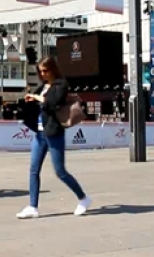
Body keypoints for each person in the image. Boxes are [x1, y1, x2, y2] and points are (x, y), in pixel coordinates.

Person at [16, 57, 91, 219]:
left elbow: (52, 103)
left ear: (53, 69)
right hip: (40, 133)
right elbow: (39, 102)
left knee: (60, 172)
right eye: (40, 71)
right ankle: (33, 206)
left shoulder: (61, 84)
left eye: (45, 70)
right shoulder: (43, 86)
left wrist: (37, 98)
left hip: (54, 132)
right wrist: (30, 99)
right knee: (34, 170)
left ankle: (83, 198)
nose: (43, 74)